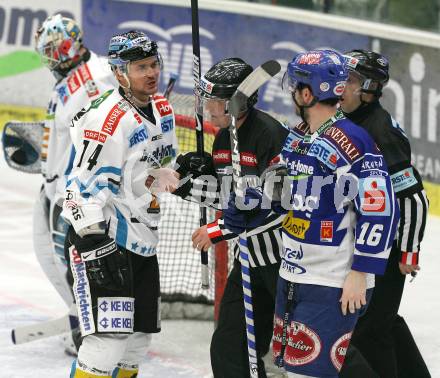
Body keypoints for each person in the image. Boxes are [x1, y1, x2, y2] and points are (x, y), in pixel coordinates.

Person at [223, 49, 399, 377]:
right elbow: (278, 190)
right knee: (294, 370)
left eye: (295, 88)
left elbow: (382, 209)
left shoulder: (354, 142)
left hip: (332, 281)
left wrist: (361, 271)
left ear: (307, 93)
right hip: (293, 274)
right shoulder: (298, 136)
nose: (292, 94)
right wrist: (244, 208)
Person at [62, 30, 179, 377]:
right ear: (118, 72)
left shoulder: (163, 109)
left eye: (153, 64)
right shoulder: (107, 120)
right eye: (141, 67)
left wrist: (185, 172)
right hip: (107, 241)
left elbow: (157, 172)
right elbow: (78, 190)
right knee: (107, 342)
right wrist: (96, 244)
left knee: (137, 341)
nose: (151, 73)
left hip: (144, 241)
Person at [4, 13, 117, 354]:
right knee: (46, 254)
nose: (48, 57)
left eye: (52, 50)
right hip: (53, 185)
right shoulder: (71, 76)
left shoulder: (97, 79)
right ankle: (80, 313)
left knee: (73, 263)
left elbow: (102, 137)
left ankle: (91, 324)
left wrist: (80, 189)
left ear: (66, 48)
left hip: (76, 193)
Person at [174, 57, 289, 377]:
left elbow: (277, 202)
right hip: (249, 258)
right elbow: (228, 196)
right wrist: (186, 183)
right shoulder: (224, 138)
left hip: (287, 262)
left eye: (216, 102)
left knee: (298, 349)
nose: (209, 109)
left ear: (238, 102)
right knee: (229, 344)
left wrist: (222, 228)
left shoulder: (269, 134)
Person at [339, 49, 430, 378]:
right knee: (383, 322)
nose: (342, 87)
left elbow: (415, 199)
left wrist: (408, 249)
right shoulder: (346, 119)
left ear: (369, 88)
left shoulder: (381, 132)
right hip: (362, 243)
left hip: (386, 250)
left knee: (370, 331)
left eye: (350, 81)